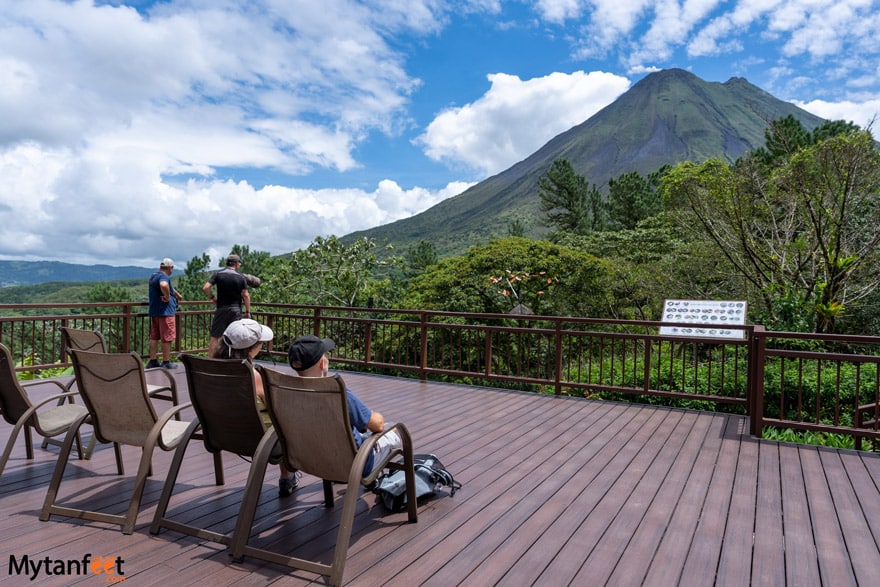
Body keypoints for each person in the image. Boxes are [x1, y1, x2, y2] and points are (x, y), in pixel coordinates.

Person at [287, 335, 401, 476]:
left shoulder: (288, 392)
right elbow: (377, 425)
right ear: (322, 363)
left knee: (358, 434)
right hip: (354, 464)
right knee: (393, 432)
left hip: (314, 460)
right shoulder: (337, 392)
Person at [218, 318, 297, 497]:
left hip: (223, 433)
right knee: (284, 423)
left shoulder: (213, 370)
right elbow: (277, 410)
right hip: (259, 439)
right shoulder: (255, 377)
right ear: (252, 348)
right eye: (260, 342)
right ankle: (287, 476)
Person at [203, 254, 251, 358]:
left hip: (221, 309)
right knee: (236, 336)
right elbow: (246, 295)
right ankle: (234, 361)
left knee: (215, 336)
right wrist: (247, 311)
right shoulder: (241, 277)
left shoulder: (218, 274)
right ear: (237, 264)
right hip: (235, 310)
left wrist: (212, 298)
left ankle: (210, 361)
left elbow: (206, 287)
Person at [147, 258, 183, 369]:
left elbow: (166, 286)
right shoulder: (164, 277)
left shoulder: (154, 276)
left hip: (155, 311)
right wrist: (167, 297)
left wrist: (177, 295)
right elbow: (163, 285)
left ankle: (152, 361)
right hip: (165, 312)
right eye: (172, 268)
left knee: (154, 337)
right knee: (166, 338)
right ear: (170, 268)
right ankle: (166, 362)